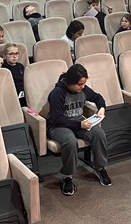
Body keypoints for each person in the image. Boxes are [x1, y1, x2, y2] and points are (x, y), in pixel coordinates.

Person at [47, 64, 110, 195]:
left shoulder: (83, 89)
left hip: (78, 121)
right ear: (70, 82)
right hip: (59, 125)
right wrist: (79, 125)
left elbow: (98, 97)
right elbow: (56, 119)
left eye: (84, 83)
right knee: (70, 141)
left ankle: (100, 168)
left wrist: (102, 107)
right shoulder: (57, 93)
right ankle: (67, 177)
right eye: (79, 84)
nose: (82, 87)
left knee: (99, 133)